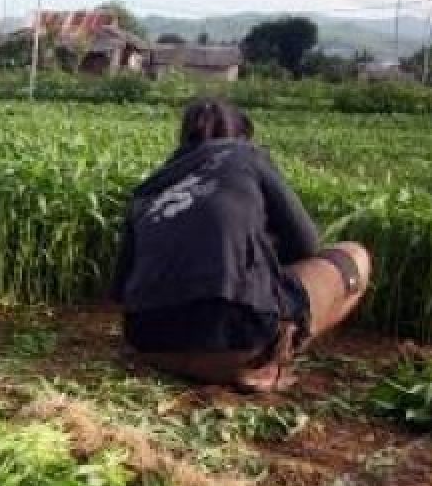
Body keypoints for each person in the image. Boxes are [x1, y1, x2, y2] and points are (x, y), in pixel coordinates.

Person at [112, 98, 371, 392]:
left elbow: (121, 290)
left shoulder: (149, 187)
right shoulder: (246, 156)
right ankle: (270, 360)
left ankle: (224, 361)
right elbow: (307, 243)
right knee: (356, 256)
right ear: (243, 136)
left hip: (149, 344)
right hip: (237, 342)